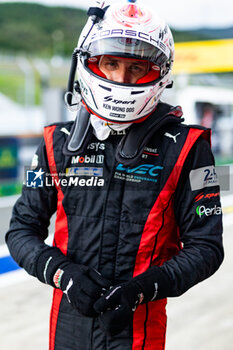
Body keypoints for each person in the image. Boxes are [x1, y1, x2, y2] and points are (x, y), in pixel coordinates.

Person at [6, 0, 224, 349]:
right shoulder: (54, 144)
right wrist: (65, 274)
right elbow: (20, 231)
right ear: (90, 63)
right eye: (111, 63)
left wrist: (143, 288)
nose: (122, 78)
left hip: (140, 330)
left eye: (137, 68)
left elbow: (208, 248)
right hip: (66, 328)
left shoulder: (191, 147)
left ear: (161, 73)